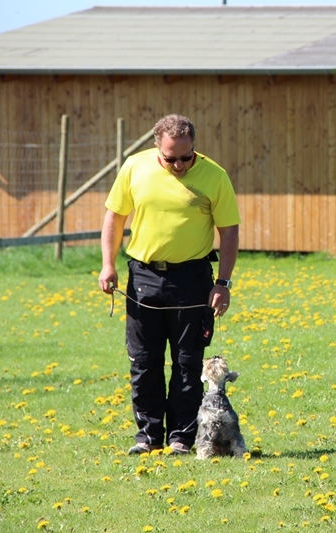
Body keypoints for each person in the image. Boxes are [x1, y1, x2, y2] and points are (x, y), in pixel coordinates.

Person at [98, 114, 240, 455]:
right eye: (170, 158)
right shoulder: (135, 168)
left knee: (188, 363)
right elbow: (115, 218)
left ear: (195, 148)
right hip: (144, 276)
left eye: (186, 157)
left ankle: (181, 438)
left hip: (192, 279)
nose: (178, 164)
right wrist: (107, 265)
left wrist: (223, 282)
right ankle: (147, 437)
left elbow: (230, 230)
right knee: (143, 361)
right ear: (156, 148)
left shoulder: (214, 176)